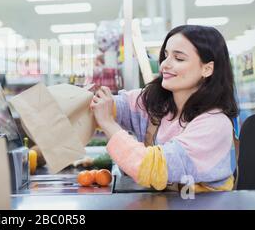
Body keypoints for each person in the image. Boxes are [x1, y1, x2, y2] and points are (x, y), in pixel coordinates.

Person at [91, 25, 238, 192]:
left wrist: (107, 123)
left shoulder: (214, 124)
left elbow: (153, 168)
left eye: (179, 58)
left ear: (207, 69)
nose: (164, 65)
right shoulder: (155, 103)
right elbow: (112, 106)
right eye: (166, 55)